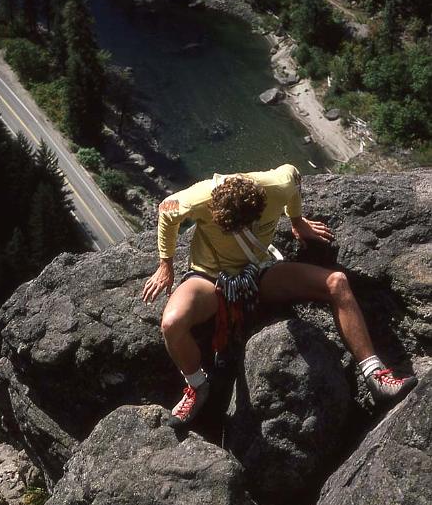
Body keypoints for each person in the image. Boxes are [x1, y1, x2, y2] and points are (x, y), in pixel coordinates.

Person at [142, 165, 417, 427]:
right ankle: (197, 387)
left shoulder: (277, 185)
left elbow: (295, 178)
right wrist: (165, 264)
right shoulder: (198, 198)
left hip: (260, 272)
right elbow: (166, 211)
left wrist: (297, 221)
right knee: (172, 323)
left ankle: (375, 374)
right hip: (210, 278)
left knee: (337, 282)